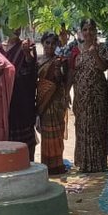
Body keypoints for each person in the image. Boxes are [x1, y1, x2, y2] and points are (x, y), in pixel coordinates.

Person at [69, 19, 108, 173]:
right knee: (82, 126)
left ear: (95, 31)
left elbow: (104, 67)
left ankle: (98, 163)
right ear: (81, 31)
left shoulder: (102, 48)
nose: (88, 32)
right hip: (81, 95)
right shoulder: (76, 50)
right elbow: (73, 72)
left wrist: (94, 54)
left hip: (98, 94)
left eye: (91, 29)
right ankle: (84, 163)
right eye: (85, 29)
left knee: (96, 127)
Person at [0, 28, 39, 160]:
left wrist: (27, 54)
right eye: (11, 25)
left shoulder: (28, 45)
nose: (15, 29)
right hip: (7, 99)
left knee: (26, 138)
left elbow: (32, 67)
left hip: (23, 99)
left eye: (18, 26)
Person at [36, 32, 70, 174]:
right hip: (43, 100)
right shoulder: (37, 61)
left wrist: (57, 68)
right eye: (47, 43)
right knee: (46, 134)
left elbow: (61, 80)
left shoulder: (59, 60)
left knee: (57, 132)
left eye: (53, 43)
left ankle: (57, 163)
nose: (50, 46)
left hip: (56, 101)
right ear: (43, 43)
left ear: (57, 45)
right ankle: (47, 164)